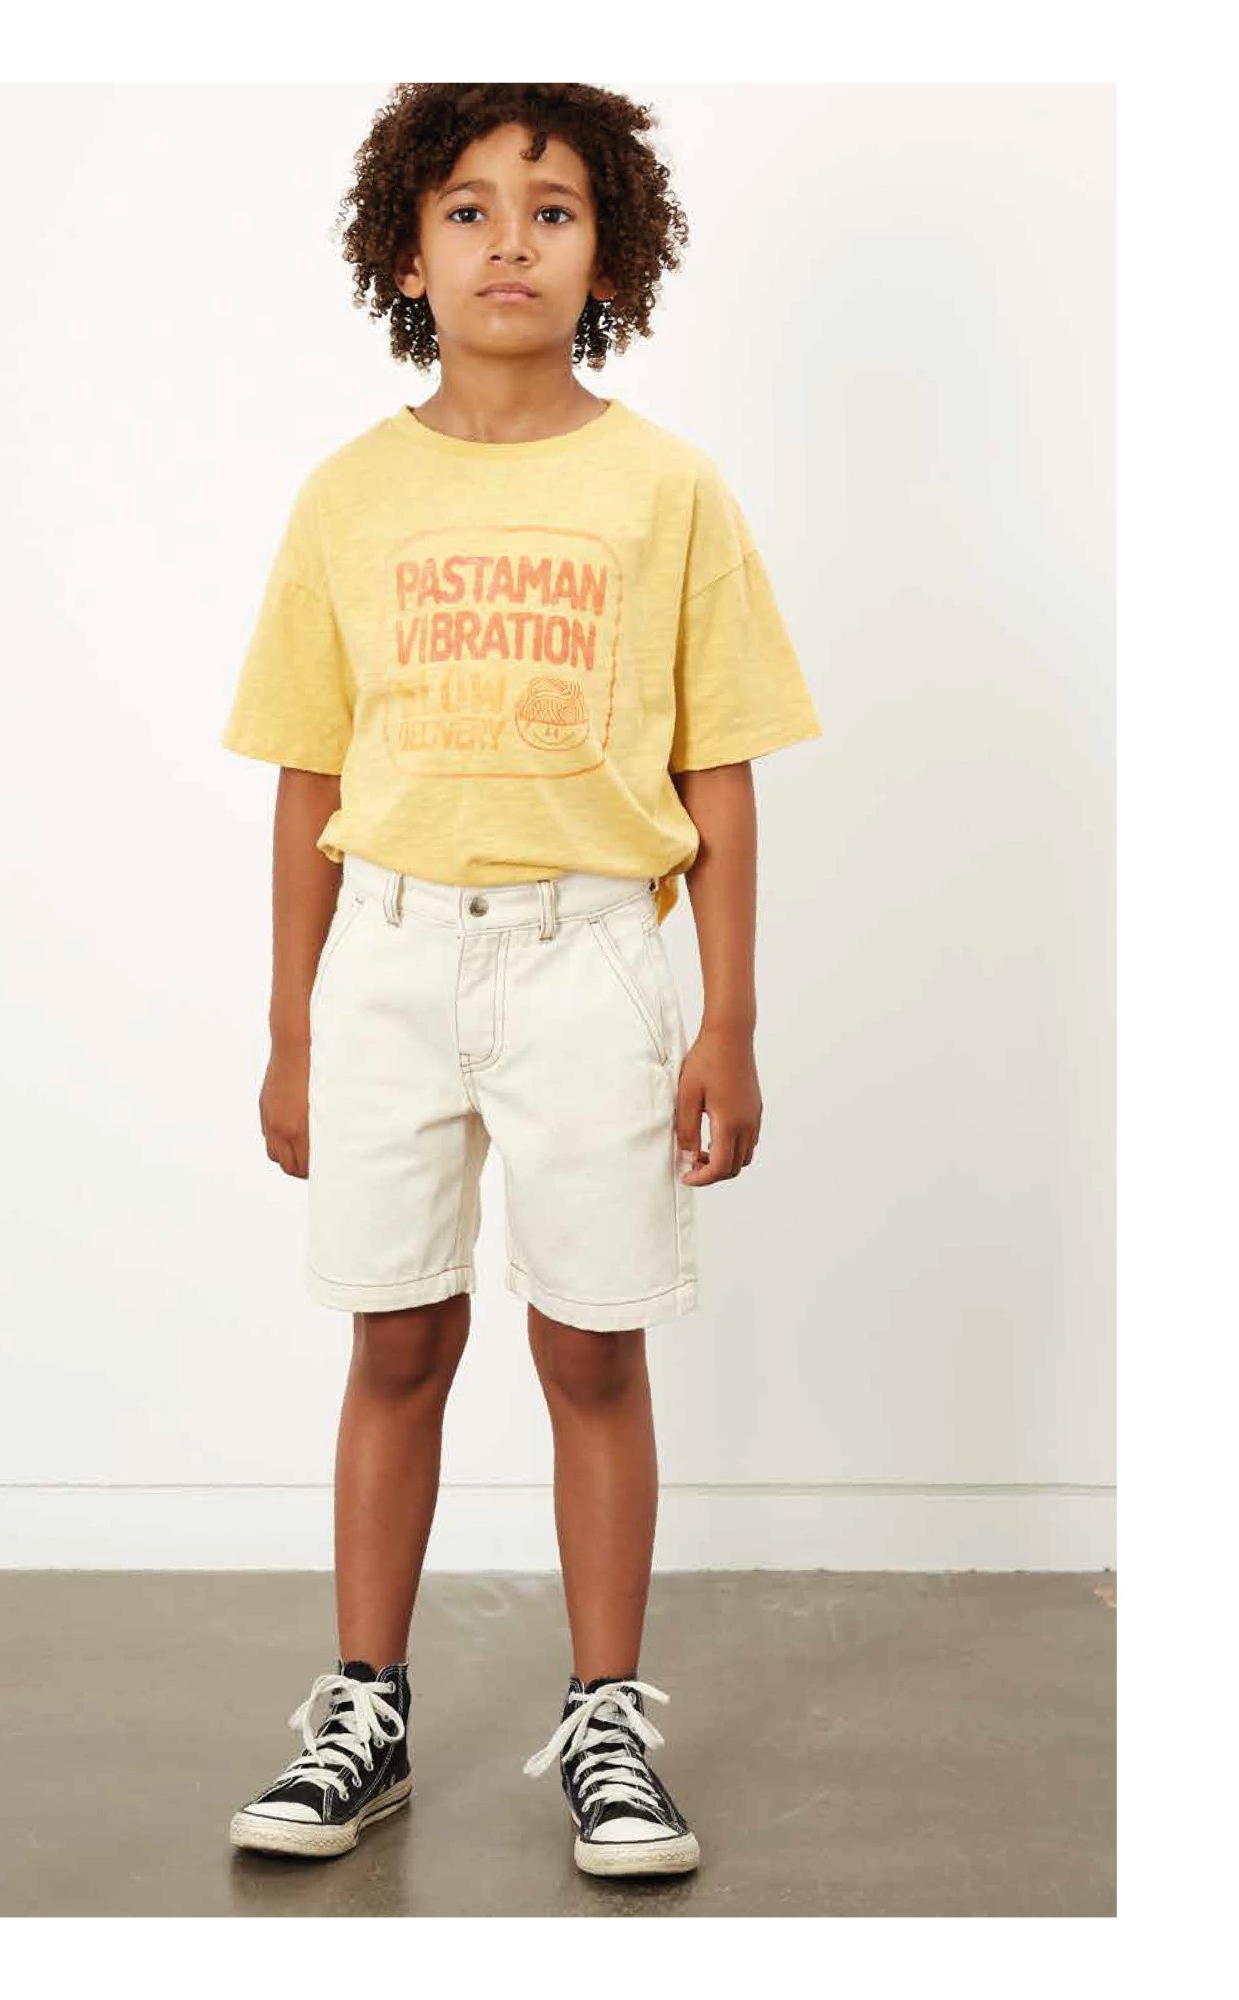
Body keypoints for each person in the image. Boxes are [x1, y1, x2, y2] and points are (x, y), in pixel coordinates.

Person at [218, 84, 819, 1880]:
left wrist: (729, 1015)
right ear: (405, 255)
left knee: (591, 1344)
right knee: (396, 1334)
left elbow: (720, 770)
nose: (509, 242)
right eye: (468, 210)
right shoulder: (351, 496)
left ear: (608, 257)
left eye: (552, 211)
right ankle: (365, 1709)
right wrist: (291, 1025)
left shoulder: (665, 489)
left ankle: (608, 1720)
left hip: (593, 959)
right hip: (391, 960)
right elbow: (308, 775)